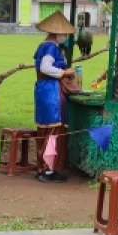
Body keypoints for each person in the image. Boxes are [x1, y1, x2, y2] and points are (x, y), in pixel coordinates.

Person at [33, 12, 77, 184]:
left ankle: (44, 167)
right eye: (64, 34)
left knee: (45, 129)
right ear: (56, 33)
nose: (65, 37)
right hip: (51, 92)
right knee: (53, 129)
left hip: (43, 90)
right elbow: (45, 67)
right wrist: (65, 72)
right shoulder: (51, 47)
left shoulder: (43, 46)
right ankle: (48, 169)